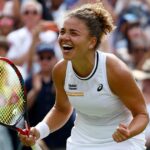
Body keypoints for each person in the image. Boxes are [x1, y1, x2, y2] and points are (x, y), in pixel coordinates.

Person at [19, 2, 149, 150]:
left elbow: (141, 114)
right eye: (62, 31)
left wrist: (128, 131)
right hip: (81, 142)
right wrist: (39, 131)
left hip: (121, 143)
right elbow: (62, 109)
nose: (64, 37)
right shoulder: (60, 70)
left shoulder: (115, 70)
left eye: (73, 33)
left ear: (92, 42)